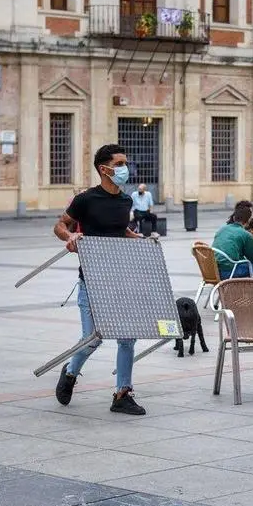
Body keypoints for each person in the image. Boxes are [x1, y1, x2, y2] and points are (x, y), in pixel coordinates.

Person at [53, 144, 147, 415]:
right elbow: (60, 225)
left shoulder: (125, 201)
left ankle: (122, 394)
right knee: (92, 339)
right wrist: (70, 236)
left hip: (120, 279)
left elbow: (118, 230)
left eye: (125, 163)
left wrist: (136, 238)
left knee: (127, 338)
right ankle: (70, 372)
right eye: (119, 164)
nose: (125, 168)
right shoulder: (85, 199)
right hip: (91, 281)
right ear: (104, 169)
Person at [212, 202, 253, 280]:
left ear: (234, 218)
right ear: (249, 220)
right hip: (229, 271)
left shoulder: (222, 229)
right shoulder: (245, 234)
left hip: (215, 270)